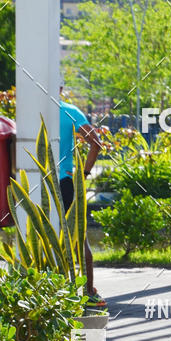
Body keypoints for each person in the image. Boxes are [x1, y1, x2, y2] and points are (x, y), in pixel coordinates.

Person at [59, 91, 103, 303]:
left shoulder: (29, 111)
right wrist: (83, 175)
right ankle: (88, 291)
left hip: (35, 182)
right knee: (79, 237)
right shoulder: (69, 111)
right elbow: (96, 143)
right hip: (65, 182)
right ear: (60, 90)